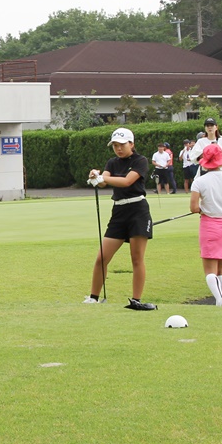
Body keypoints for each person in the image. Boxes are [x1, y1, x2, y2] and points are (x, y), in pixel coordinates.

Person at [85, 127, 157, 311]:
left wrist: (102, 178)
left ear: (131, 144)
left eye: (122, 145)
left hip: (138, 211)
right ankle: (93, 298)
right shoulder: (112, 162)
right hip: (119, 211)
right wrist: (96, 176)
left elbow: (127, 181)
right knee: (102, 257)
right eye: (115, 145)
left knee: (136, 258)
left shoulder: (140, 161)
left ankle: (136, 300)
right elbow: (103, 182)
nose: (118, 148)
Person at [190, 144, 222, 306]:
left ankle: (219, 299)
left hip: (209, 225)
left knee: (209, 270)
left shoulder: (199, 182)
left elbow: (193, 208)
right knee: (221, 269)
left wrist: (204, 209)